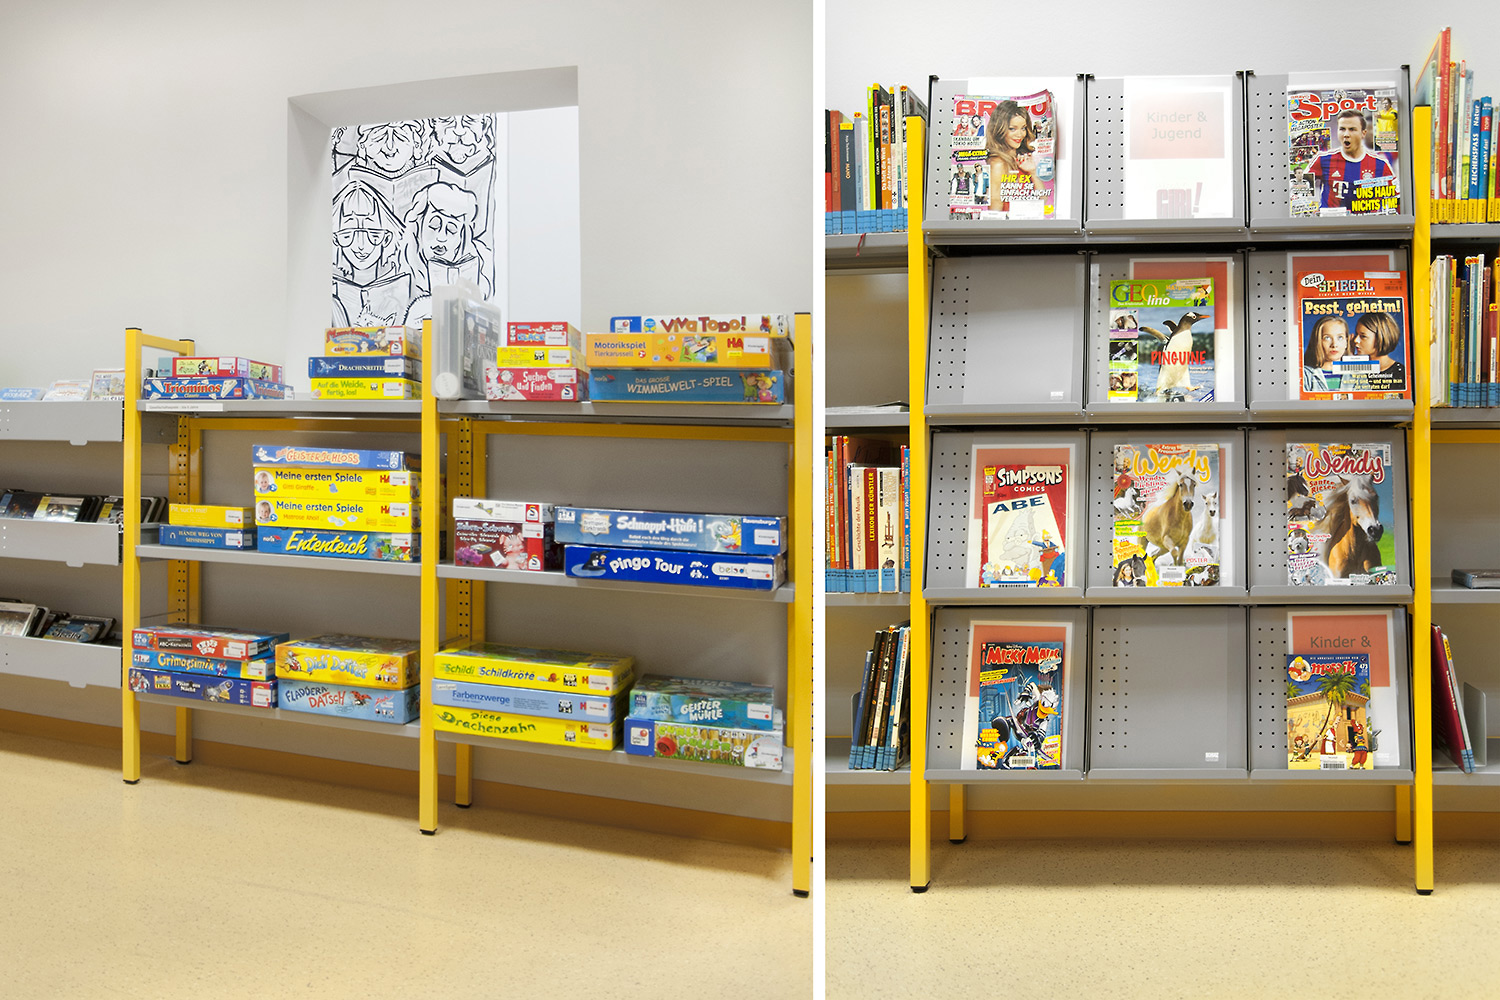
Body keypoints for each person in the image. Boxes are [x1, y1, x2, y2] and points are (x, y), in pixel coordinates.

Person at [1301, 109, 1395, 213]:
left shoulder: (1381, 165)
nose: (1346, 134)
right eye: (1342, 129)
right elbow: (1299, 189)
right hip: (1331, 222)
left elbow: (1396, 200)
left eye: (1352, 129)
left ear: (1363, 133)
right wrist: (1311, 210)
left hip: (1367, 222)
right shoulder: (1323, 159)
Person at [985, 100, 1042, 211]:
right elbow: (995, 207)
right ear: (999, 129)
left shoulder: (1024, 159)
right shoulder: (998, 164)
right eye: (1012, 129)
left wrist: (1032, 172)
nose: (1020, 134)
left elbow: (1044, 201)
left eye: (1023, 128)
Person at [1350, 311, 1406, 393]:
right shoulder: (1357, 368)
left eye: (1363, 336)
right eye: (1356, 334)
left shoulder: (1400, 373)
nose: (1355, 340)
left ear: (1380, 338)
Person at [1301, 315, 1349, 392]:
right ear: (1318, 341)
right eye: (1327, 338)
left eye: (1340, 337)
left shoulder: (1356, 375)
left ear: (1346, 342)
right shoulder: (1305, 375)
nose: (1334, 345)